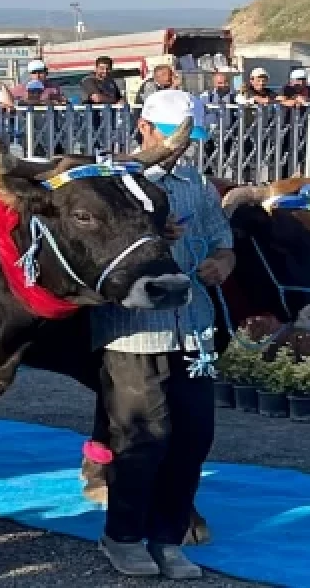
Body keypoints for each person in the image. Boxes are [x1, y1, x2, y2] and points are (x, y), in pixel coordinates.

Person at [90, 89, 232, 581]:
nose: (180, 146)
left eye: (188, 136)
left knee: (194, 435)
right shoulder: (112, 182)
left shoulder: (197, 184)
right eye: (172, 135)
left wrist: (221, 262)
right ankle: (122, 537)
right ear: (143, 127)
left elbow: (221, 238)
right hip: (134, 331)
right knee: (143, 434)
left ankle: (168, 538)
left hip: (193, 328)